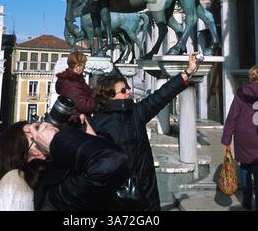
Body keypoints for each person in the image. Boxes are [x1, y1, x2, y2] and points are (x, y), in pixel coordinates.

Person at [90, 53, 200, 211]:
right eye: (123, 90)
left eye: (127, 88)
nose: (128, 91)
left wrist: (188, 71)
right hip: (117, 196)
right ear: (110, 96)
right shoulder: (97, 125)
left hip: (146, 189)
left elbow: (161, 96)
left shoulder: (135, 113)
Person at [0, 117, 130, 211]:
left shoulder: (59, 175)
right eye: (33, 136)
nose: (40, 133)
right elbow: (113, 161)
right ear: (25, 157)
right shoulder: (49, 193)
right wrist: (56, 142)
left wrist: (88, 140)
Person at [221, 65, 258, 211]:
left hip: (243, 137)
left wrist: (226, 139)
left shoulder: (241, 94)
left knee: (245, 168)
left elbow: (232, 117)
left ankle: (247, 202)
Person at [55, 51, 93, 118]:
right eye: (83, 66)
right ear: (77, 66)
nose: (84, 68)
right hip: (77, 121)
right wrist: (100, 102)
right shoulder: (72, 83)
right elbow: (83, 106)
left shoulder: (73, 80)